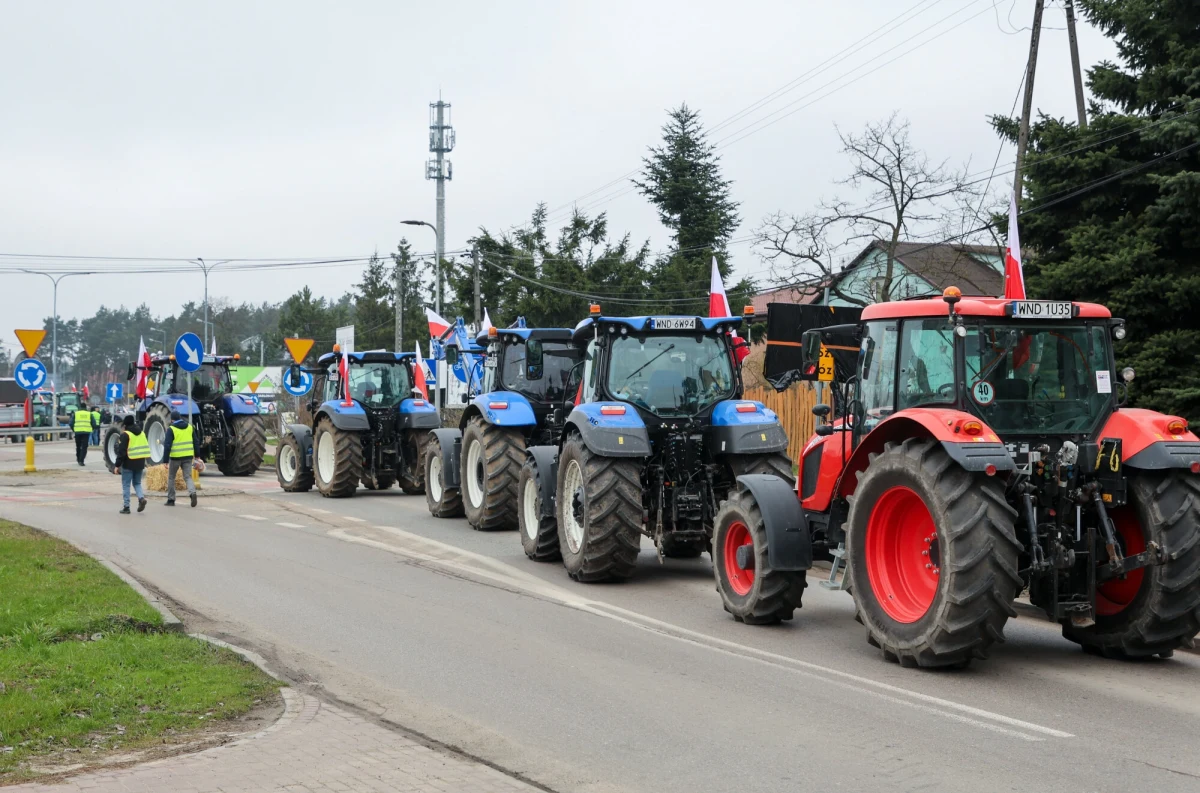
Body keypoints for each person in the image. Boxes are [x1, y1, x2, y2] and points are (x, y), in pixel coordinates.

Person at [113, 414, 148, 514]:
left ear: (125, 425)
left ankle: (126, 507)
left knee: (126, 485)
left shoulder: (125, 435)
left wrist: (117, 465)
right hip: (140, 462)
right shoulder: (142, 433)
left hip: (128, 463)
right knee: (137, 483)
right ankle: (141, 498)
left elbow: (121, 452)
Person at [162, 410, 197, 507]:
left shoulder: (171, 429)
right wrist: (197, 455)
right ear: (180, 418)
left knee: (171, 478)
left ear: (172, 420)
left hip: (175, 457)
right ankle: (192, 493)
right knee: (188, 477)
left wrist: (165, 460)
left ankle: (171, 500)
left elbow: (167, 445)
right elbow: (196, 442)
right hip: (188, 456)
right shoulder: (190, 427)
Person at [72, 400, 98, 466]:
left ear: (79, 407)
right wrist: (91, 429)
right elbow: (94, 423)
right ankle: (81, 460)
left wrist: (74, 429)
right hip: (86, 433)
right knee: (84, 447)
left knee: (78, 446)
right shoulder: (89, 414)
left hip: (77, 432)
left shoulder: (76, 413)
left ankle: (78, 458)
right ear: (86, 407)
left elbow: (71, 423)